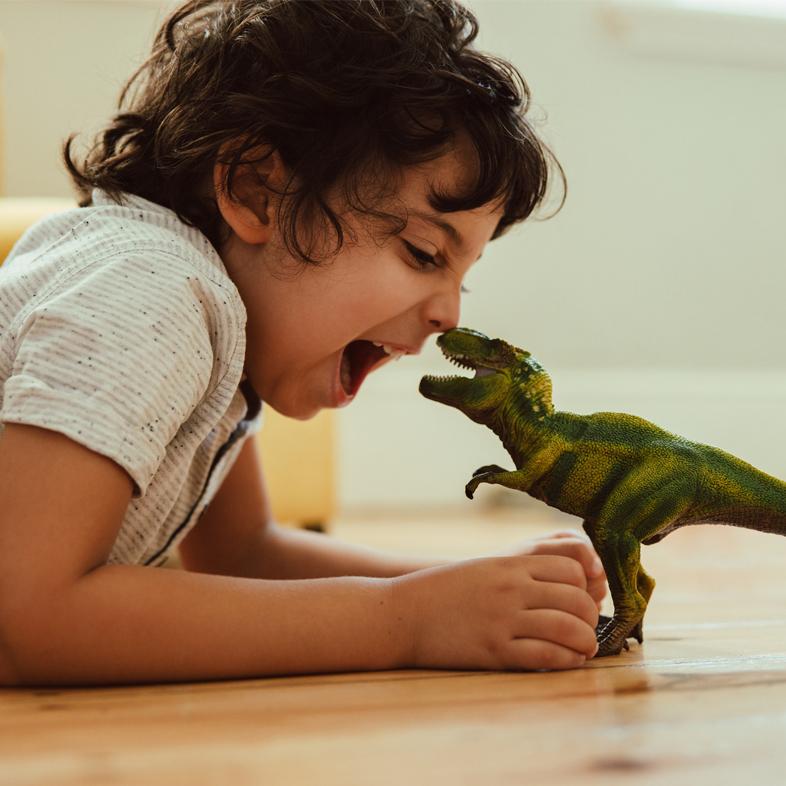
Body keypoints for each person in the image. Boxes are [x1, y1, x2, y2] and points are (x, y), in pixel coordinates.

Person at [0, 0, 606, 686]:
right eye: (423, 253)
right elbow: (29, 618)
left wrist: (469, 588)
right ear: (257, 192)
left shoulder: (216, 329)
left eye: (465, 277)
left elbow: (244, 554)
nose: (448, 315)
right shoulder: (152, 293)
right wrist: (404, 620)